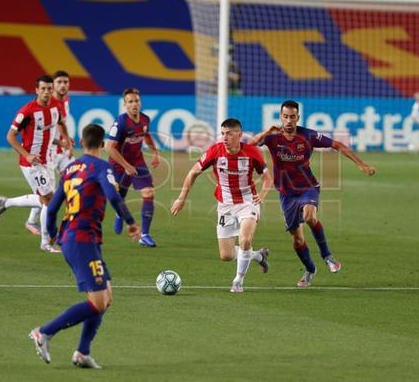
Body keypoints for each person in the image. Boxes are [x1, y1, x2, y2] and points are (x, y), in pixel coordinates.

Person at [29, 123, 140, 369]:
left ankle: (82, 353)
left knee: (105, 297)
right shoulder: (102, 166)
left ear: (81, 142)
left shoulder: (69, 169)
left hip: (75, 238)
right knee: (98, 302)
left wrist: (53, 234)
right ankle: (44, 332)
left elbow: (53, 207)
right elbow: (113, 196)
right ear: (102, 145)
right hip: (82, 240)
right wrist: (131, 223)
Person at [249, 100, 376, 287]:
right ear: (280, 117)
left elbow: (338, 145)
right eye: (285, 116)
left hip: (308, 187)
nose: (289, 120)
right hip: (286, 193)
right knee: (298, 239)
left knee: (309, 215)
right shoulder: (273, 137)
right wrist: (267, 132)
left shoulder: (308, 135)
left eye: (293, 117)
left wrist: (360, 163)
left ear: (298, 117)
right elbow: (250, 145)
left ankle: (328, 256)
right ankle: (310, 269)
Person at [171, 118, 273, 293]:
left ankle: (238, 281)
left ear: (239, 135)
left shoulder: (252, 152)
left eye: (229, 133)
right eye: (223, 133)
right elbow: (193, 172)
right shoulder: (215, 151)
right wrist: (181, 198)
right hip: (225, 205)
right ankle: (257, 255)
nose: (224, 137)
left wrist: (262, 195)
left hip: (248, 202)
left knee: (245, 239)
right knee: (226, 255)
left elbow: (267, 179)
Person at [0, 75, 72, 253]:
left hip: (47, 161)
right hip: (31, 163)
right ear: (36, 90)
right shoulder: (27, 111)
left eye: (48, 89)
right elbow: (10, 136)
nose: (46, 92)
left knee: (45, 199)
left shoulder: (55, 107)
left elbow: (56, 127)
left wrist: (63, 142)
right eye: (43, 89)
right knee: (49, 201)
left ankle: (6, 203)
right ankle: (46, 242)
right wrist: (27, 155)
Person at [106, 88, 160, 247]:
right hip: (118, 164)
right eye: (130, 102)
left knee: (149, 193)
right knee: (119, 197)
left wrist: (155, 152)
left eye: (136, 101)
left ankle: (145, 235)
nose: (134, 104)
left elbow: (146, 134)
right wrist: (126, 166)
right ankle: (118, 213)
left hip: (138, 162)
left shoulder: (145, 119)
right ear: (125, 105)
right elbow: (109, 148)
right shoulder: (121, 122)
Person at [24, 70, 74, 236]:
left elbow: (61, 124)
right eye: (59, 82)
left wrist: (67, 141)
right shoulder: (49, 103)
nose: (63, 85)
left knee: (71, 182)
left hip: (61, 150)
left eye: (65, 82)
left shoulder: (65, 100)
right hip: (49, 152)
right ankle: (36, 223)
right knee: (48, 194)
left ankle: (66, 221)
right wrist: (62, 142)